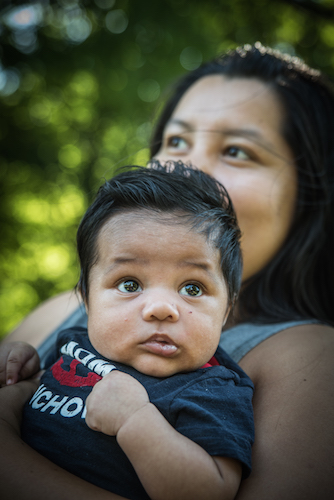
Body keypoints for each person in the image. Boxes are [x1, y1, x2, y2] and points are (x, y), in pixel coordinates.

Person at [1, 42, 334, 499]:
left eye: (237, 150)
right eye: (176, 142)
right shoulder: (61, 313)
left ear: (307, 197)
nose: (187, 166)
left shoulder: (315, 357)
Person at [0, 163, 254, 500]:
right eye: (130, 283)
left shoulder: (212, 389)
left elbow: (213, 490)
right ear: (87, 299)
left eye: (192, 288)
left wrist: (136, 421)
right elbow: (37, 389)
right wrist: (25, 368)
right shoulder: (75, 344)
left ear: (226, 310)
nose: (160, 308)